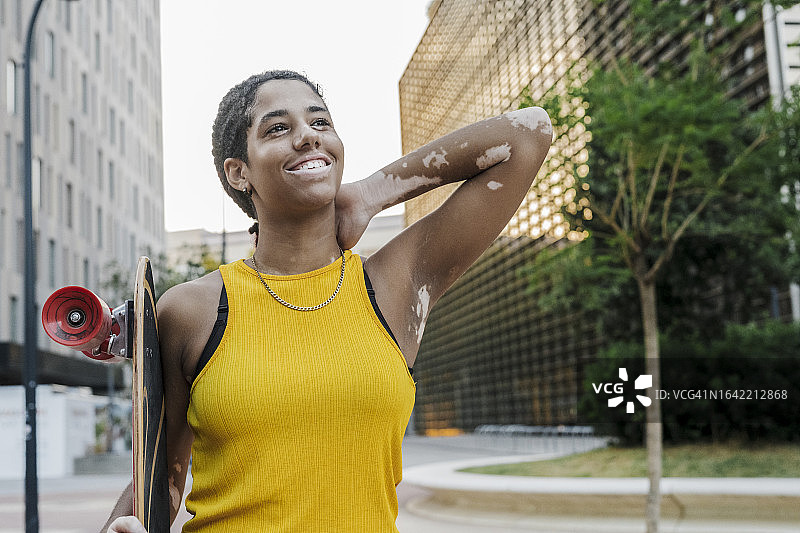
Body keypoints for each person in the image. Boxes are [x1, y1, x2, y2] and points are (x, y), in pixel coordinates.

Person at [104, 69, 552, 533]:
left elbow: (528, 134)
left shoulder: (393, 286)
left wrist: (374, 191)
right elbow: (158, 481)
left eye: (321, 123)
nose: (307, 138)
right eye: (278, 128)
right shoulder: (191, 311)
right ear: (239, 172)